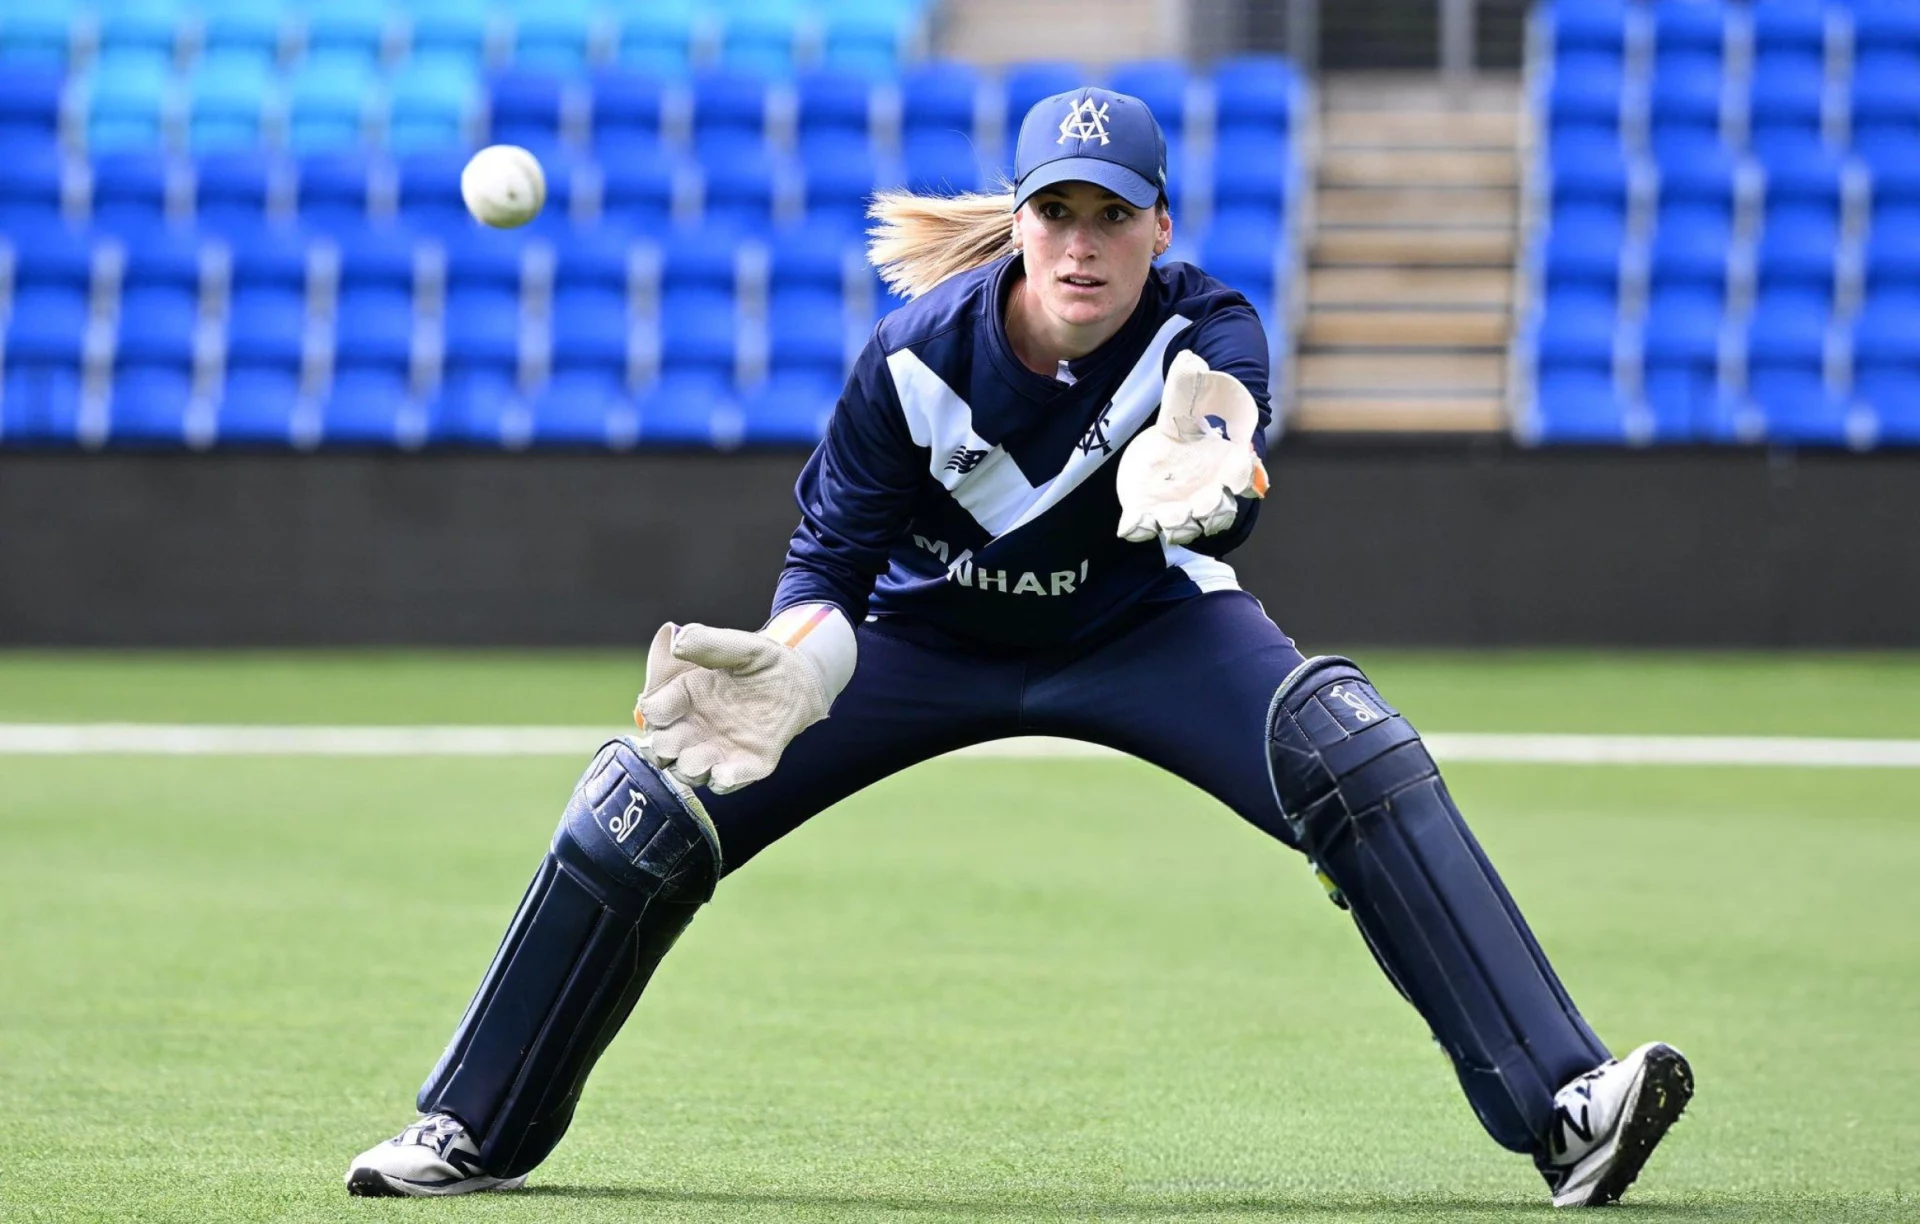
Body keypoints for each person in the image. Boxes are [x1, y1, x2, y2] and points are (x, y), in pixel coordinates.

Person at [345, 87, 1692, 1208]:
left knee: (1348, 748)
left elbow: (1220, 413)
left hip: (1142, 626)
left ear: (1159, 227)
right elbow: (828, 567)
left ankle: (1564, 1108)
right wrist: (801, 666)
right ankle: (476, 1125)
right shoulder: (913, 359)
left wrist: (1210, 454)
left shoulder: (1203, 327)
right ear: (1021, 225)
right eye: (1059, 210)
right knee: (645, 806)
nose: (1084, 241)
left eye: (1115, 214)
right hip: (925, 638)